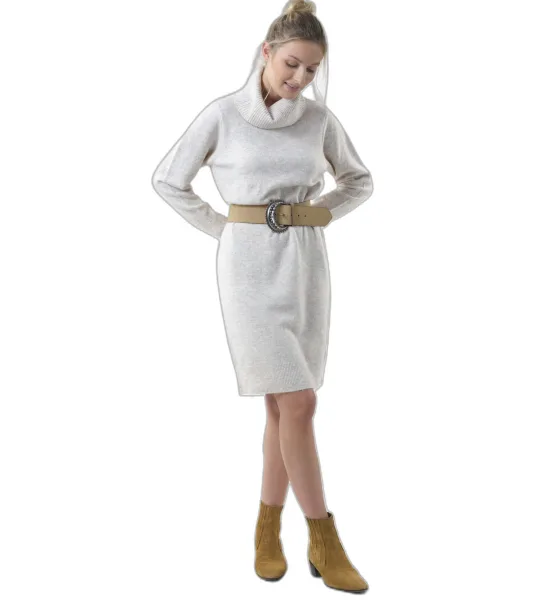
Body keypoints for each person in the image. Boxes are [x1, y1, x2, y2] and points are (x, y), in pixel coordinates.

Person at [151, 0, 373, 593]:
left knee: (283, 407)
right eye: (292, 64)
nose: (300, 78)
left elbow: (359, 181)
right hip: (247, 270)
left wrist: (317, 213)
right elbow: (168, 179)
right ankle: (324, 538)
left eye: (312, 70)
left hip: (305, 265)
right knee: (299, 402)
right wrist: (226, 230)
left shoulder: (319, 120)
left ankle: (267, 529)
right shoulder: (223, 114)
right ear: (267, 52)